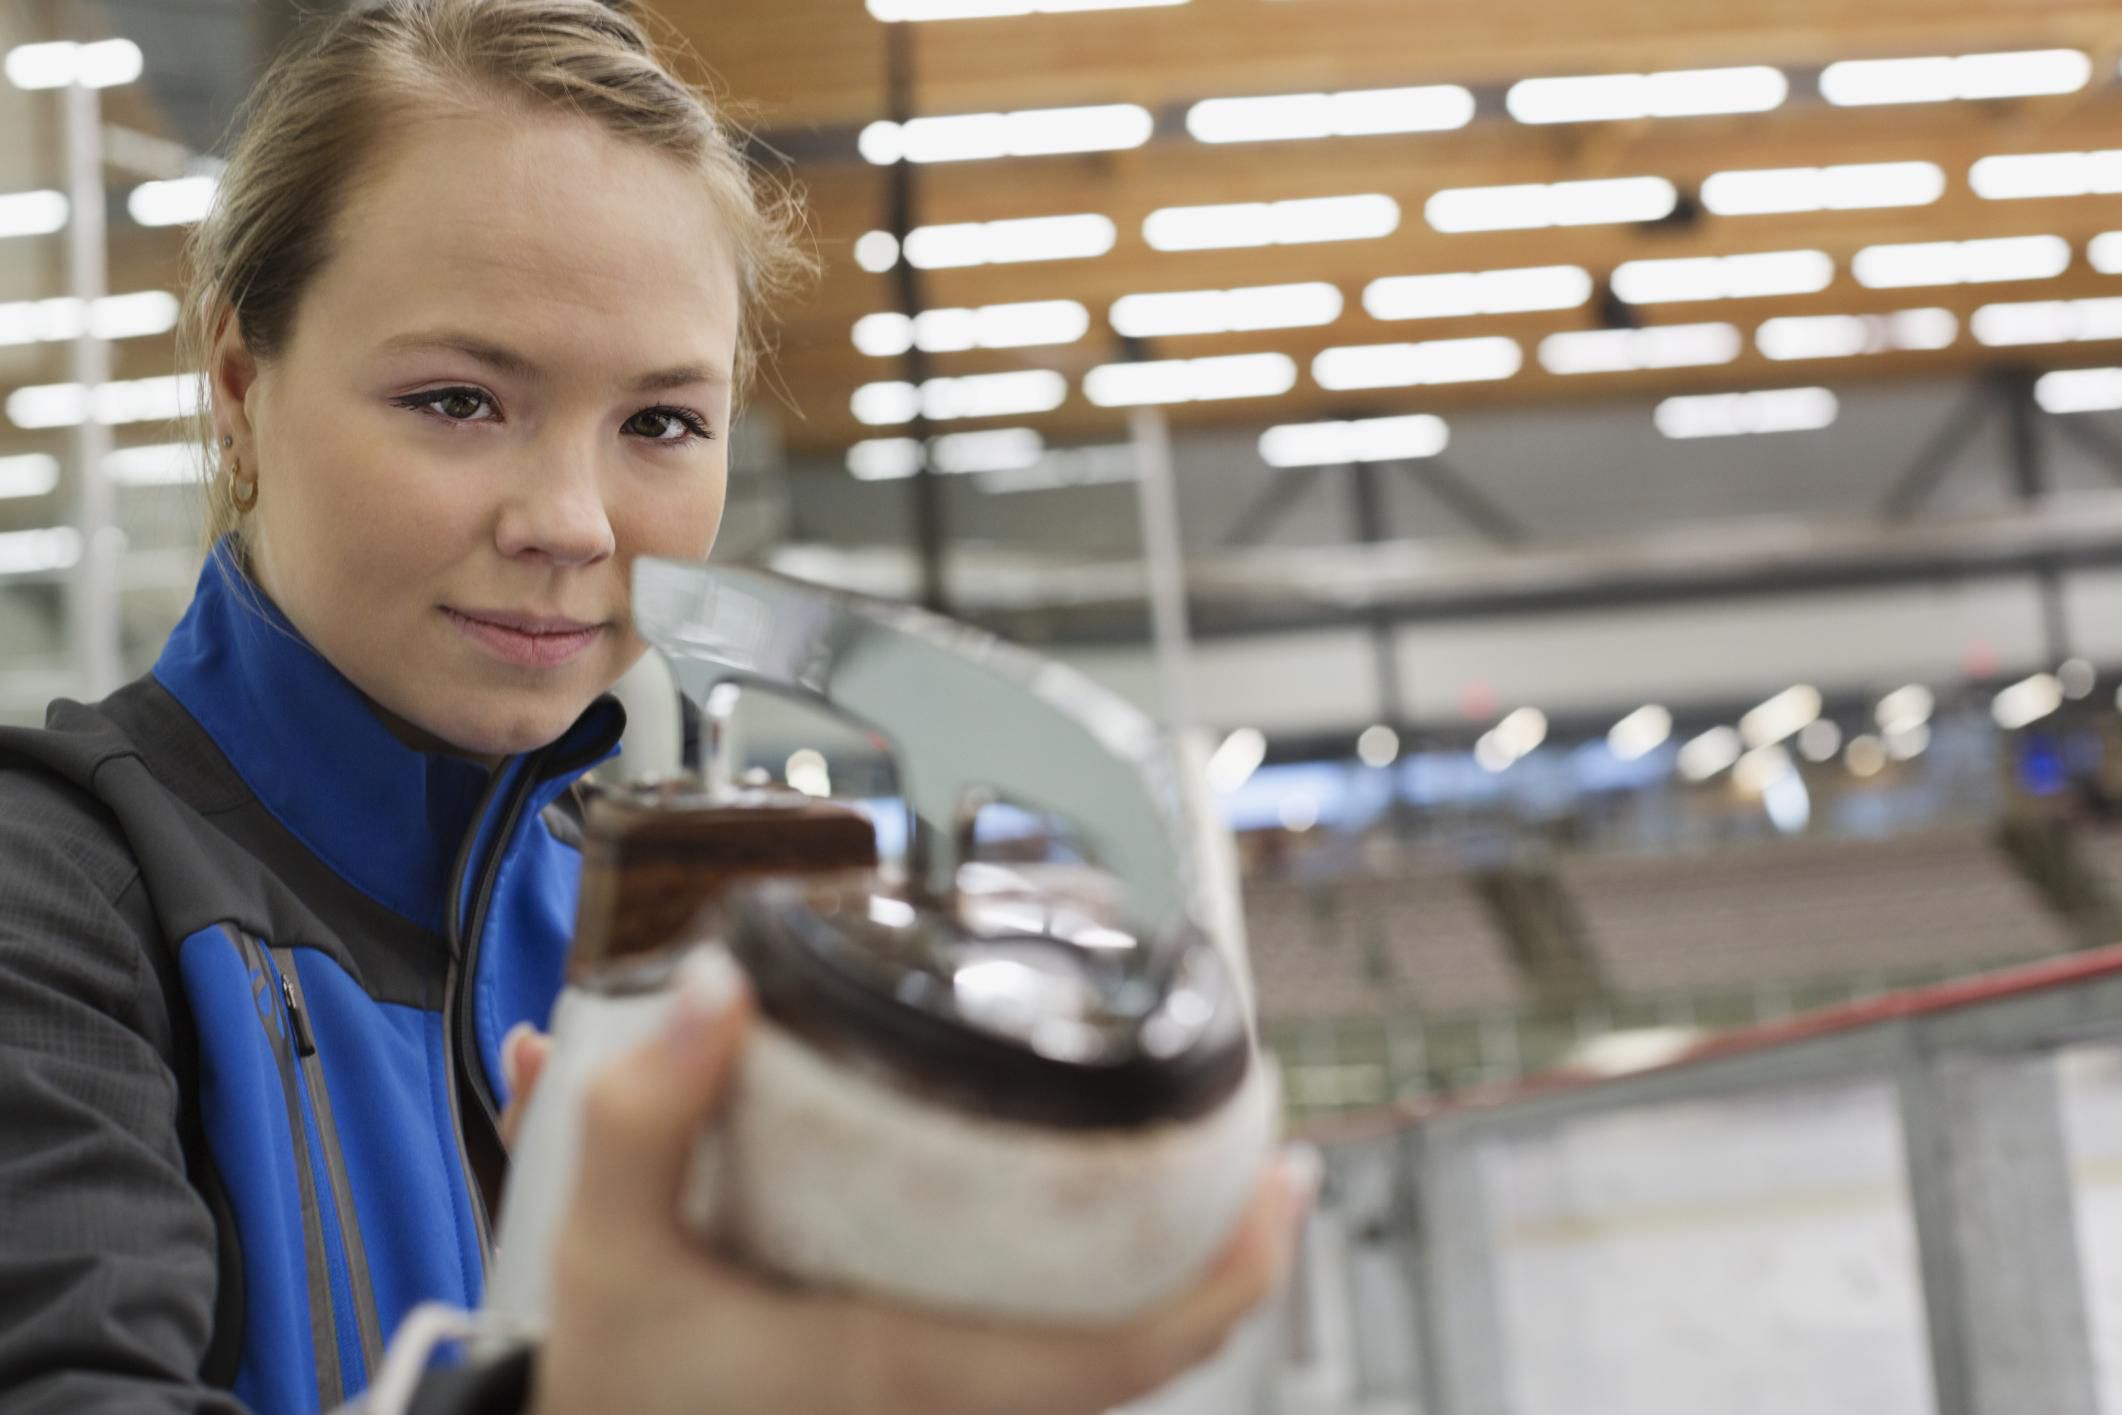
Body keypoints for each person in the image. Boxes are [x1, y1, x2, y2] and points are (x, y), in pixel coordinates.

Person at [0, 1, 1311, 1412]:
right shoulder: (52, 891)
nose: (571, 522)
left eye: (660, 424)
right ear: (243, 389)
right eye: (456, 401)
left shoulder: (707, 942)